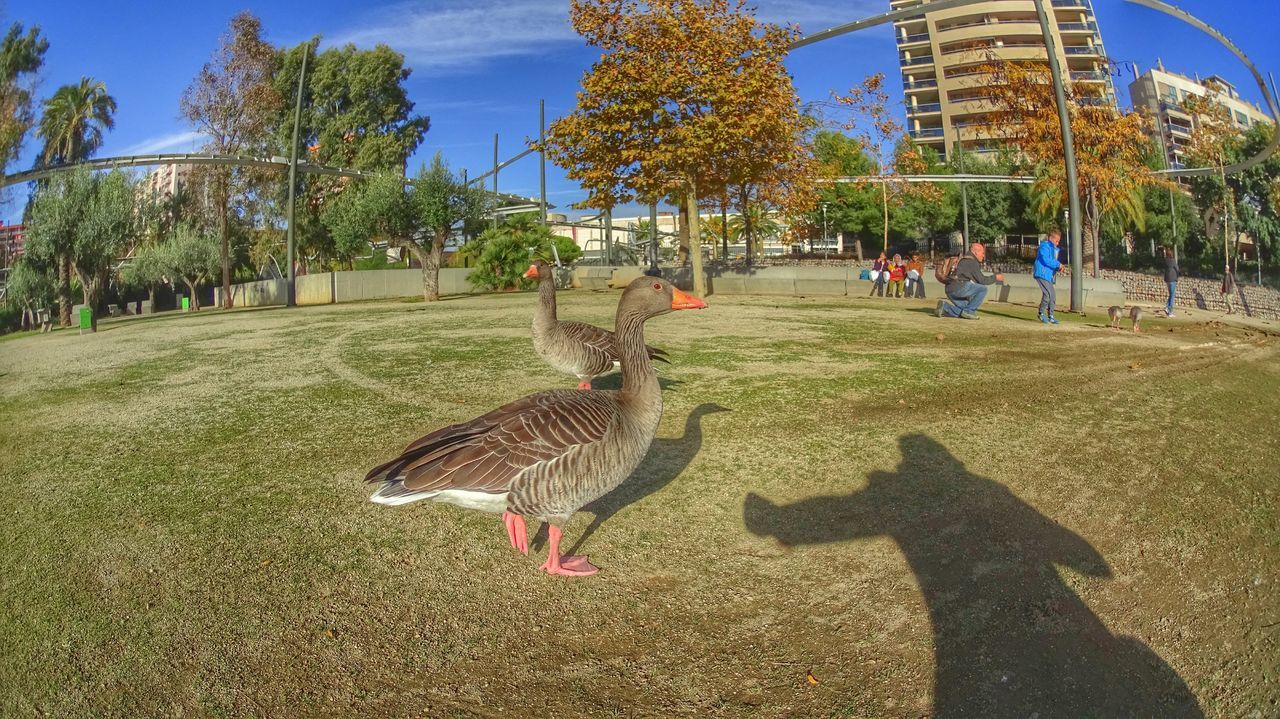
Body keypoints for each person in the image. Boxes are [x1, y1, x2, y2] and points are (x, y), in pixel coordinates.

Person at [935, 242, 1004, 320]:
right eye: (982, 253)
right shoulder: (971, 262)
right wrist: (995, 277)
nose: (983, 255)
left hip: (949, 289)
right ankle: (969, 311)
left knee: (964, 310)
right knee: (982, 289)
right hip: (959, 287)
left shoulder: (963, 259)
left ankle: (945, 307)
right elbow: (982, 280)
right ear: (975, 252)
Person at [1033, 230, 1065, 324]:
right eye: (1056, 241)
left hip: (1048, 276)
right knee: (1047, 294)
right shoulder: (1044, 246)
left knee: (1052, 295)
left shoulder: (1054, 249)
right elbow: (1047, 260)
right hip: (1041, 274)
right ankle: (1041, 313)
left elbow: (1052, 263)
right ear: (1051, 238)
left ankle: (1051, 315)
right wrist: (1058, 264)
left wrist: (1058, 267)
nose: (1057, 243)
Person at [1163, 247, 1178, 318]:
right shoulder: (1173, 260)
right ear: (1171, 254)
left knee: (1171, 294)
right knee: (1172, 296)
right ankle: (1170, 312)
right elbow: (1177, 269)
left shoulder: (1165, 261)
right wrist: (1179, 274)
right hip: (1173, 279)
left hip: (1167, 280)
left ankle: (1166, 307)